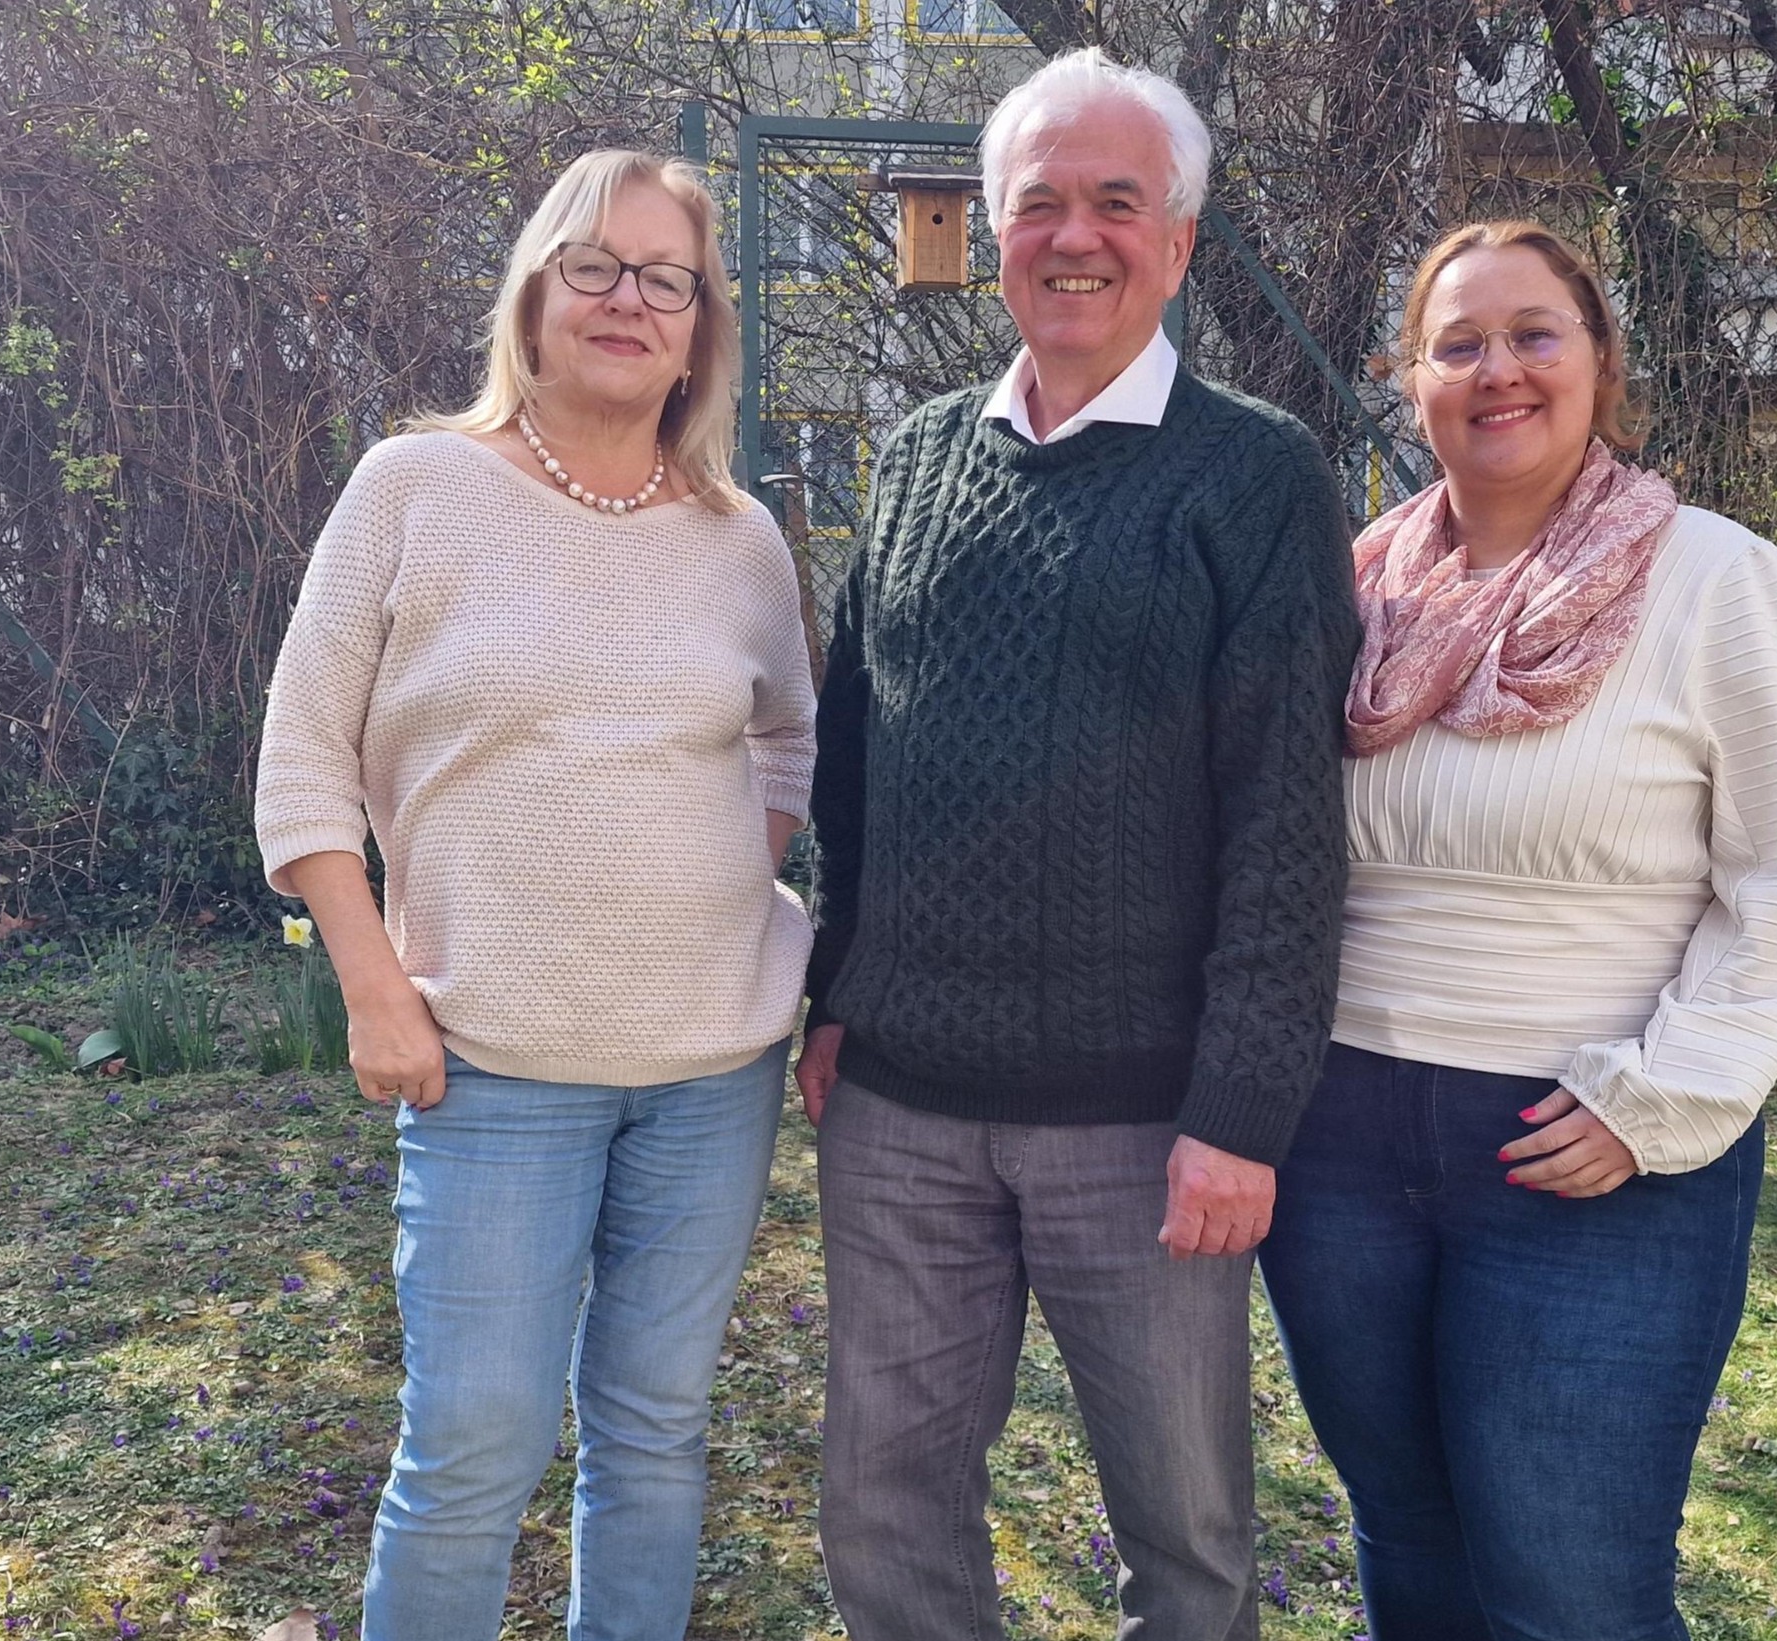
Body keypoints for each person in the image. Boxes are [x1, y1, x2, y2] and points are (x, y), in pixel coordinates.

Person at [794, 47, 1361, 1641]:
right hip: (900, 1111)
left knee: (1184, 1533)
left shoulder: (1253, 477)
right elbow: (856, 757)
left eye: (1119, 201)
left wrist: (1242, 1110)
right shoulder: (909, 465)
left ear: (1177, 241)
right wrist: (834, 984)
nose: (1076, 235)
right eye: (1039, 203)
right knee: (883, 1504)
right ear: (993, 234)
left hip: (1147, 1126)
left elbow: (1288, 822)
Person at [1257, 219, 1777, 1641]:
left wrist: (1658, 1097)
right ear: (1411, 382)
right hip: (1338, 1138)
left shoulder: (1727, 588)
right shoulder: (1358, 592)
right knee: (1408, 1547)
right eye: (1457, 343)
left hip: (1586, 1146)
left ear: (1600, 361)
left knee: (1568, 1591)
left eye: (1534, 333)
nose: (1498, 370)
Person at [252, 149, 816, 1641]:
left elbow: (791, 738)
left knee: (652, 1440)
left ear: (700, 326)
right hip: (488, 1063)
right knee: (471, 1455)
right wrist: (374, 987)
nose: (627, 300)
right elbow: (301, 758)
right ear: (535, 291)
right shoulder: (415, 487)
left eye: (665, 279)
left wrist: (717, 882)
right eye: (594, 266)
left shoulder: (739, 537)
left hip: (711, 1073)